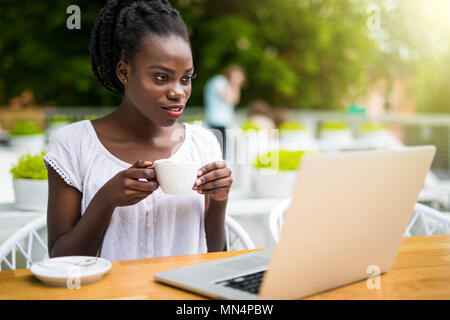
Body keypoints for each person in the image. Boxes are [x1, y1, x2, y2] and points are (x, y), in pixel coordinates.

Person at [42, 0, 233, 261]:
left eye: (185, 79)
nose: (178, 92)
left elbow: (215, 254)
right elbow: (60, 258)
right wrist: (106, 200)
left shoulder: (204, 144)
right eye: (161, 77)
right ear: (124, 72)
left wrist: (219, 200)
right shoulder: (74, 144)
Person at [204, 65, 246, 159]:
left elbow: (235, 101)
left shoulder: (225, 84)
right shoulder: (218, 81)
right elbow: (230, 98)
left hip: (222, 122)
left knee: (223, 149)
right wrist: (235, 85)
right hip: (217, 121)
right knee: (219, 150)